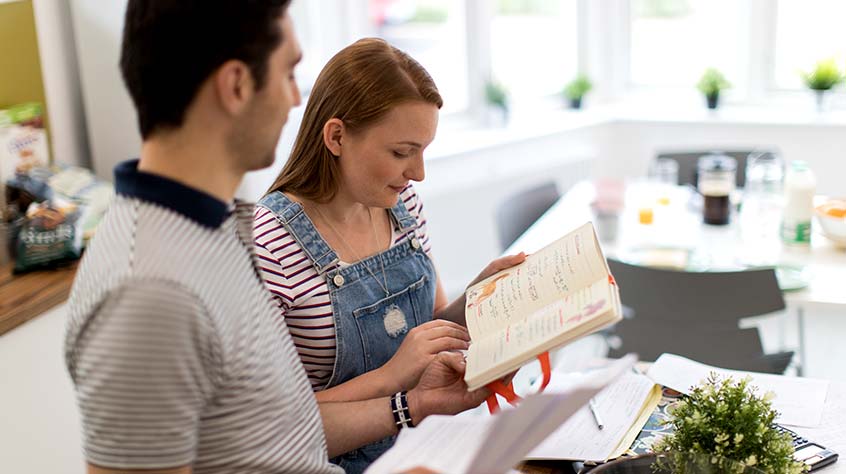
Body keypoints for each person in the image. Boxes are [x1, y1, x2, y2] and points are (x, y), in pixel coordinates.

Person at [64, 2, 490, 473]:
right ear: (236, 86)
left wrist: (412, 405)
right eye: (289, 73)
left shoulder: (211, 237)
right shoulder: (149, 293)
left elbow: (274, 437)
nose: (294, 98)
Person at [254, 38, 526, 472]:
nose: (418, 172)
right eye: (402, 152)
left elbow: (431, 323)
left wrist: (479, 299)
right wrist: (393, 380)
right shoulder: (268, 247)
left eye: (423, 150)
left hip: (426, 447)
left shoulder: (403, 205)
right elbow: (267, 426)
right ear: (337, 136)